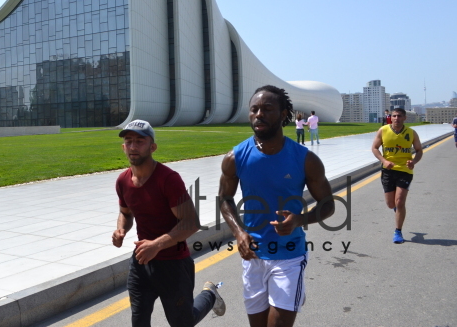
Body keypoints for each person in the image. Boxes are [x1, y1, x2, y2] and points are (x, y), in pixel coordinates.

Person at [219, 86, 335, 327]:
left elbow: (328, 206)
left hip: (289, 256)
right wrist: (239, 232)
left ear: (284, 115)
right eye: (254, 109)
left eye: (267, 109)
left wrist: (299, 220)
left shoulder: (305, 159)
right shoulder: (236, 157)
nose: (258, 114)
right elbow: (225, 199)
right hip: (252, 255)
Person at [113, 120, 225, 326]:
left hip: (173, 264)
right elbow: (125, 213)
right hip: (142, 262)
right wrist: (121, 229)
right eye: (129, 141)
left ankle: (209, 294)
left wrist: (157, 244)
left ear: (152, 147)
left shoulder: (168, 179)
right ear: (123, 147)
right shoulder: (122, 181)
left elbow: (191, 222)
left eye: (140, 141)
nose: (133, 146)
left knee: (183, 322)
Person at [371, 108, 423, 244]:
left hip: (405, 170)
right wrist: (384, 161)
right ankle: (397, 209)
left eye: (399, 116)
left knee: (400, 201)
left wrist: (414, 161)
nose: (396, 118)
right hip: (388, 170)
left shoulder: (411, 133)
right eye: (394, 116)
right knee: (390, 204)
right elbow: (375, 148)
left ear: (404, 118)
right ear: (390, 117)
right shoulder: (383, 130)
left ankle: (398, 231)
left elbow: (419, 151)